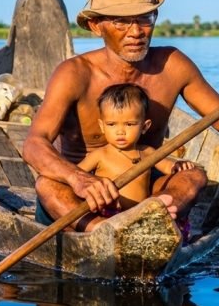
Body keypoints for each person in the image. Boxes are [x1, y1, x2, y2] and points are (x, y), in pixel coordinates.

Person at [23, 0, 219, 232]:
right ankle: (103, 233)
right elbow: (34, 144)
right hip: (82, 200)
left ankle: (152, 223)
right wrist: (78, 178)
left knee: (193, 175)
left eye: (144, 18)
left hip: (144, 192)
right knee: (46, 185)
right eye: (121, 21)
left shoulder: (173, 65)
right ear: (96, 26)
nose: (136, 31)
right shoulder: (74, 73)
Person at [77, 83, 195, 223]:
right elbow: (78, 176)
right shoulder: (100, 154)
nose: (120, 131)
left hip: (139, 214)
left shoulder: (147, 152)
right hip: (109, 213)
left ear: (144, 126)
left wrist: (179, 166)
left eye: (129, 124)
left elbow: (168, 167)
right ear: (102, 126)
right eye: (112, 124)